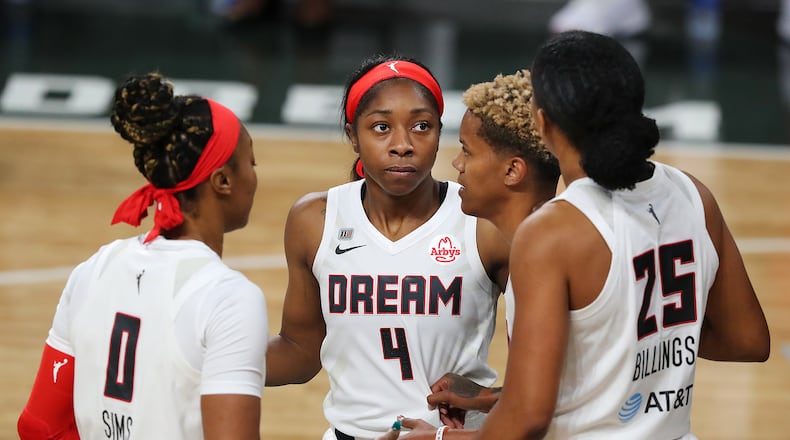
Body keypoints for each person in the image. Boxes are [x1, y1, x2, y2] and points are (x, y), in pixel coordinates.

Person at [383, 29, 772, 440]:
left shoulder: (552, 233)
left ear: (544, 122)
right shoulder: (693, 194)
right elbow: (746, 341)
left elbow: (528, 420)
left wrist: (438, 438)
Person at [264, 53, 512, 439]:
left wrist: (491, 398)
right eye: (381, 127)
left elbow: (548, 370)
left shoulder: (481, 222)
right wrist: (209, 360)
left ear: (439, 132)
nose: (402, 145)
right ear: (352, 136)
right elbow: (299, 350)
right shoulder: (315, 219)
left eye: (421, 126)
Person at [17, 72, 268, 439]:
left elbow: (39, 425)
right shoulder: (229, 298)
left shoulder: (94, 269)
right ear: (223, 181)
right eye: (251, 163)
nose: (255, 175)